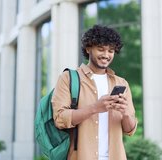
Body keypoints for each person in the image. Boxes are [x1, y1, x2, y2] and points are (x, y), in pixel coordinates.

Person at [52, 25, 137, 160]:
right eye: (101, 49)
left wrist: (126, 113)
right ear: (88, 48)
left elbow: (130, 130)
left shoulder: (121, 83)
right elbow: (60, 119)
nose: (106, 55)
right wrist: (95, 108)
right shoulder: (68, 78)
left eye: (111, 51)